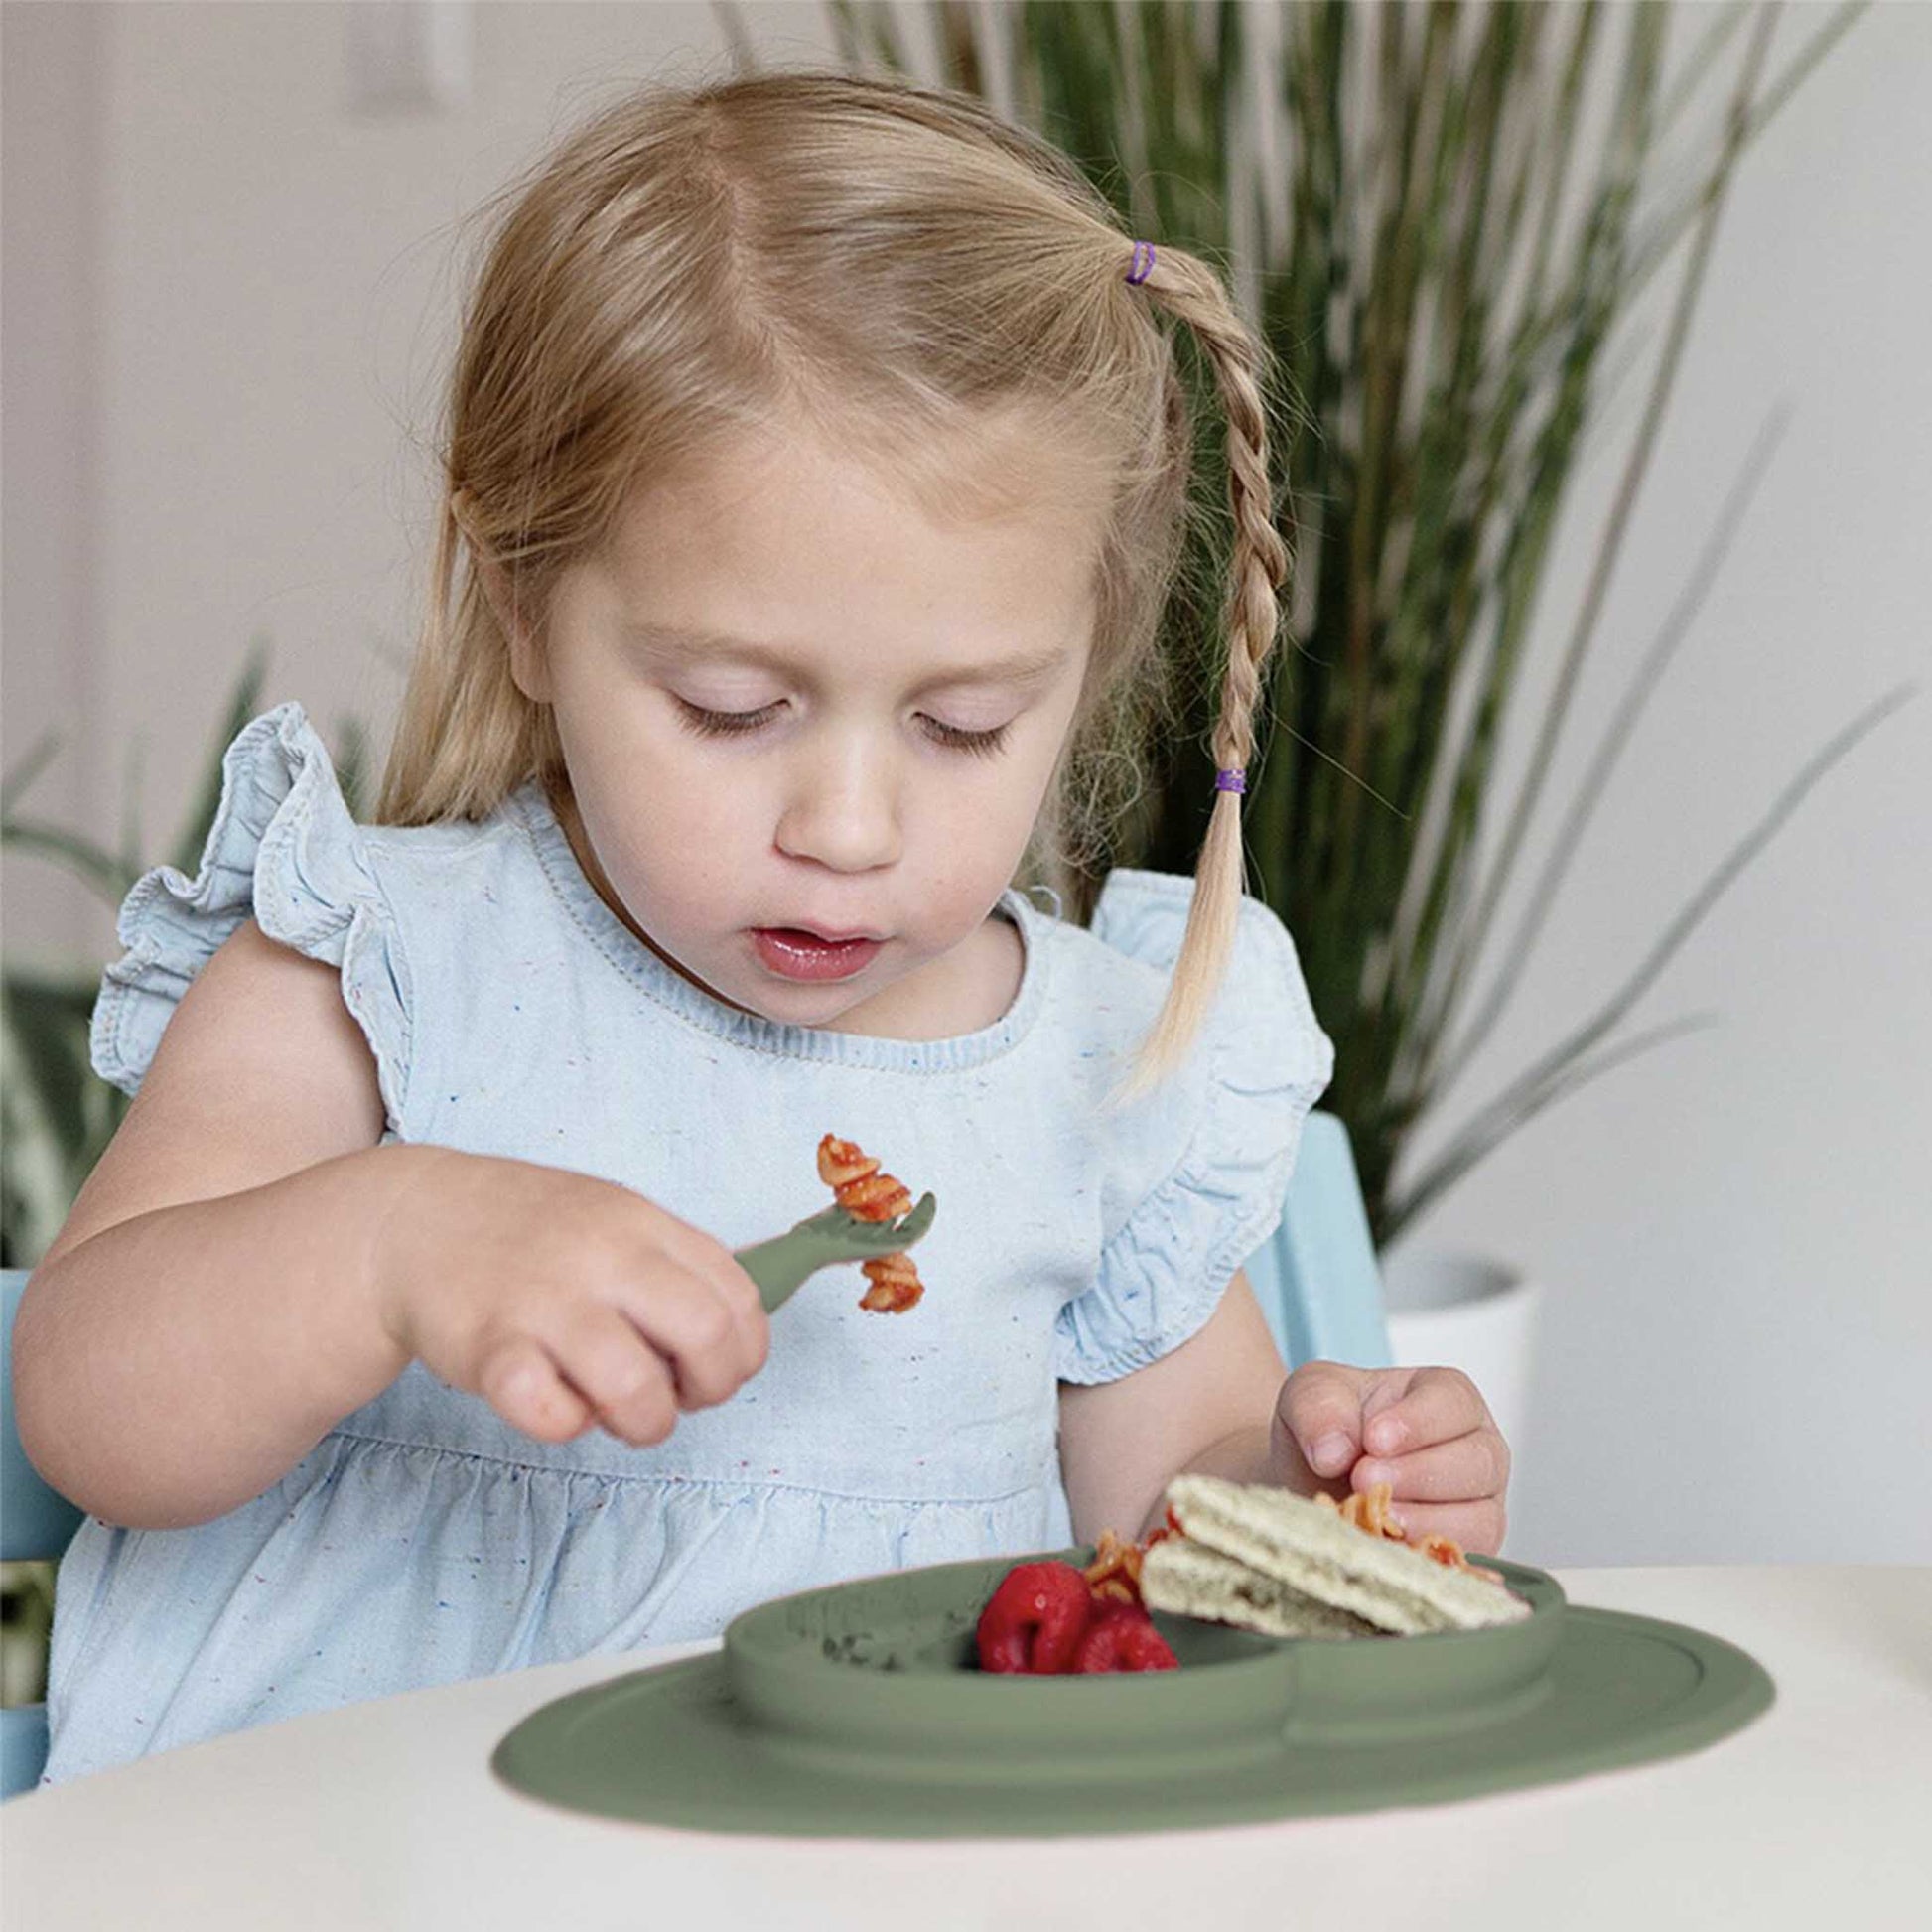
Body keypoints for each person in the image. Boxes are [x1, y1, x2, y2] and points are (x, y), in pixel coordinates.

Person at [14, 70, 1509, 1785]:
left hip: (894, 1862)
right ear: (522, 606)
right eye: (731, 706)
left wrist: (1310, 1502)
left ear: (1079, 677)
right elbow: (86, 1401)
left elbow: (1172, 1524)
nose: (848, 829)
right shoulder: (376, 976)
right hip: (367, 1860)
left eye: (961, 728)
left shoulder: (1097, 1066)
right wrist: (380, 1245)